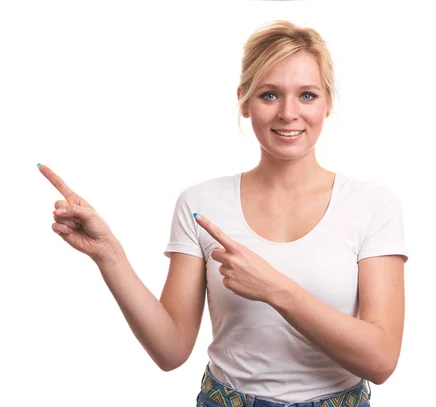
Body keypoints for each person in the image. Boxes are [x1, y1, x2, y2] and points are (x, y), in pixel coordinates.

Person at [38, 20, 407, 407]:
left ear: (328, 102)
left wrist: (276, 290)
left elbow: (381, 361)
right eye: (269, 95)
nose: (288, 113)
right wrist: (108, 253)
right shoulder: (201, 203)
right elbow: (170, 350)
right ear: (245, 101)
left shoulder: (372, 205)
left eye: (307, 95)